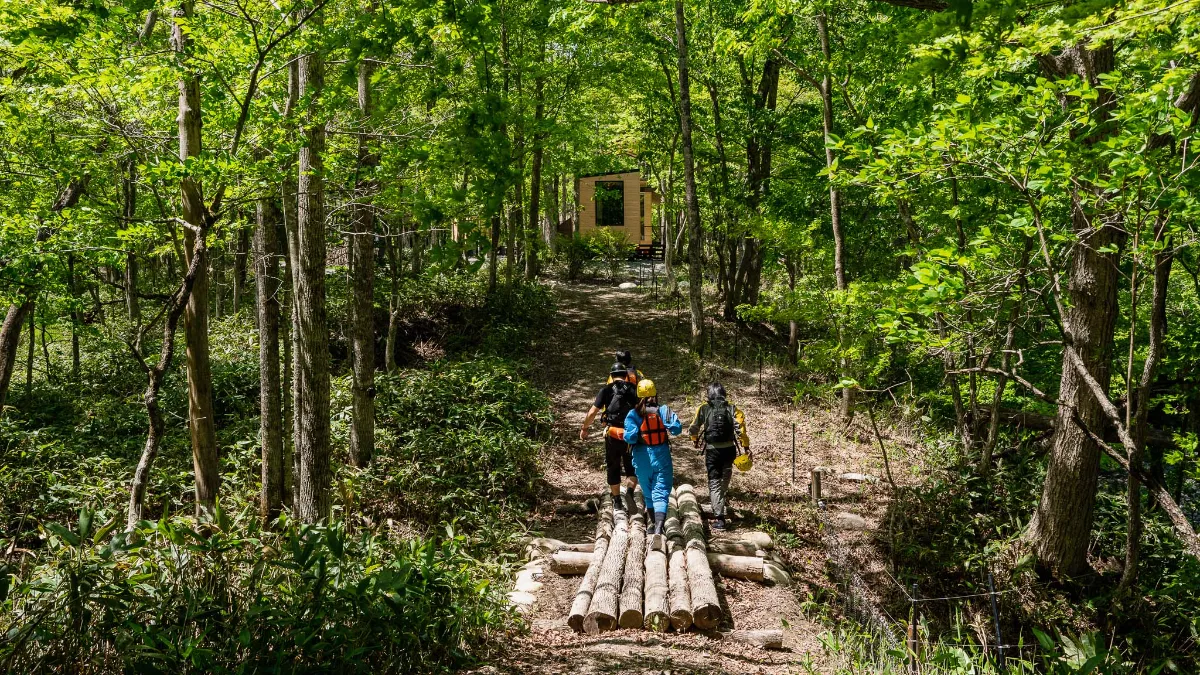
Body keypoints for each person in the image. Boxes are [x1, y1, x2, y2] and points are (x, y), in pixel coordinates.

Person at [623, 378, 682, 539]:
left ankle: (652, 526)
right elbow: (677, 429)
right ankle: (658, 528)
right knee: (661, 492)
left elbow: (629, 437)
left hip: (642, 458)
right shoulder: (663, 410)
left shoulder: (633, 414)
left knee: (648, 492)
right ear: (656, 394)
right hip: (661, 455)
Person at [688, 382, 750, 531]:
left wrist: (695, 440)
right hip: (729, 449)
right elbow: (741, 429)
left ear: (709, 395)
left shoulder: (704, 408)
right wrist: (746, 447)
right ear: (724, 394)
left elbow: (693, 427)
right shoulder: (733, 408)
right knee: (725, 476)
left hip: (712, 451)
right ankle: (720, 502)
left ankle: (719, 518)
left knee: (714, 482)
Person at [580, 363, 640, 511]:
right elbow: (642, 411)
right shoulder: (633, 389)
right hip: (630, 436)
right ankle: (630, 492)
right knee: (632, 468)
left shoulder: (605, 390)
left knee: (613, 467)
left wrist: (584, 428)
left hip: (612, 434)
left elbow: (593, 412)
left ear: (611, 376)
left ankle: (617, 501)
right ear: (625, 375)